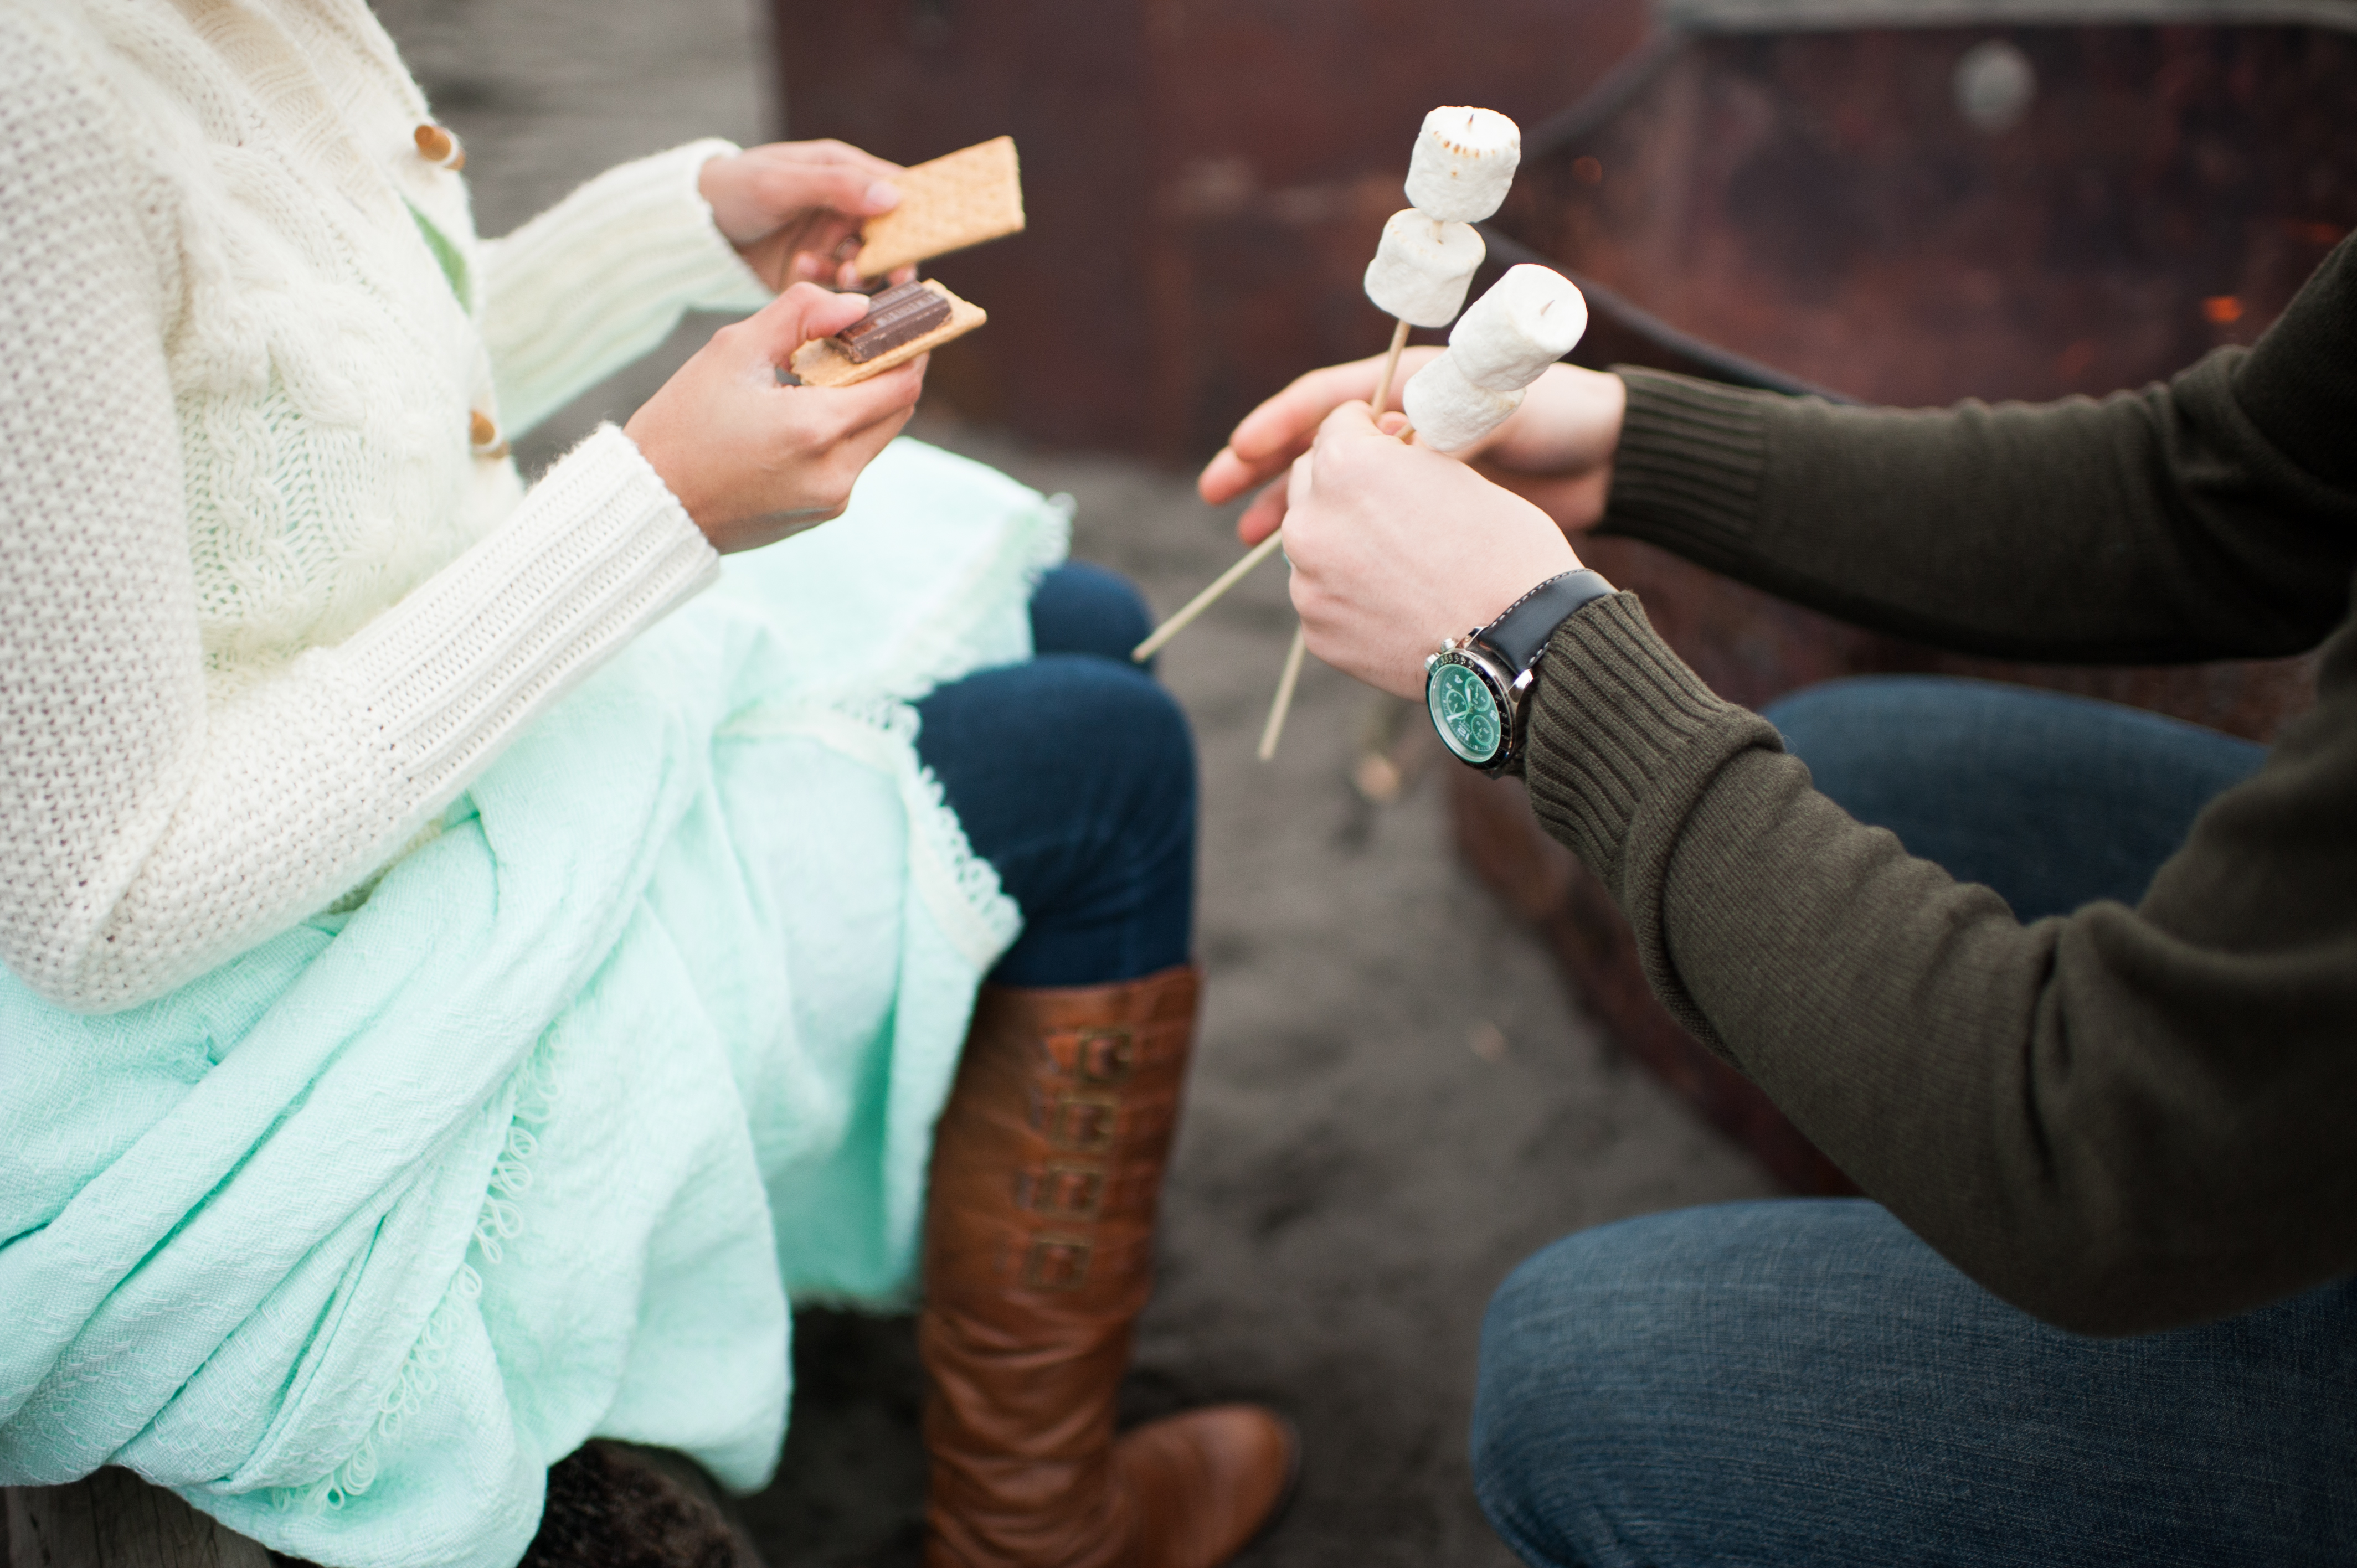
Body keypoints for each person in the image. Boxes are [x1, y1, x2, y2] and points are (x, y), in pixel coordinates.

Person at [0, 6, 1290, 1568]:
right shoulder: (35, 104)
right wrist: (655, 509)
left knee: (1076, 620)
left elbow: (294, 413)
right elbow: (105, 899)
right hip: (274, 981)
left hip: (402, 729)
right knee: (1108, 765)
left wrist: (674, 240)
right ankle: (1040, 1534)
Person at [1201, 234, 2357, 1564]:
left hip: (2127, 1151)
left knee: (1584, 1376)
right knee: (1868, 766)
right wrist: (1632, 445)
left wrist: (1527, 661)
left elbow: (2105, 1149)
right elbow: (2223, 488)